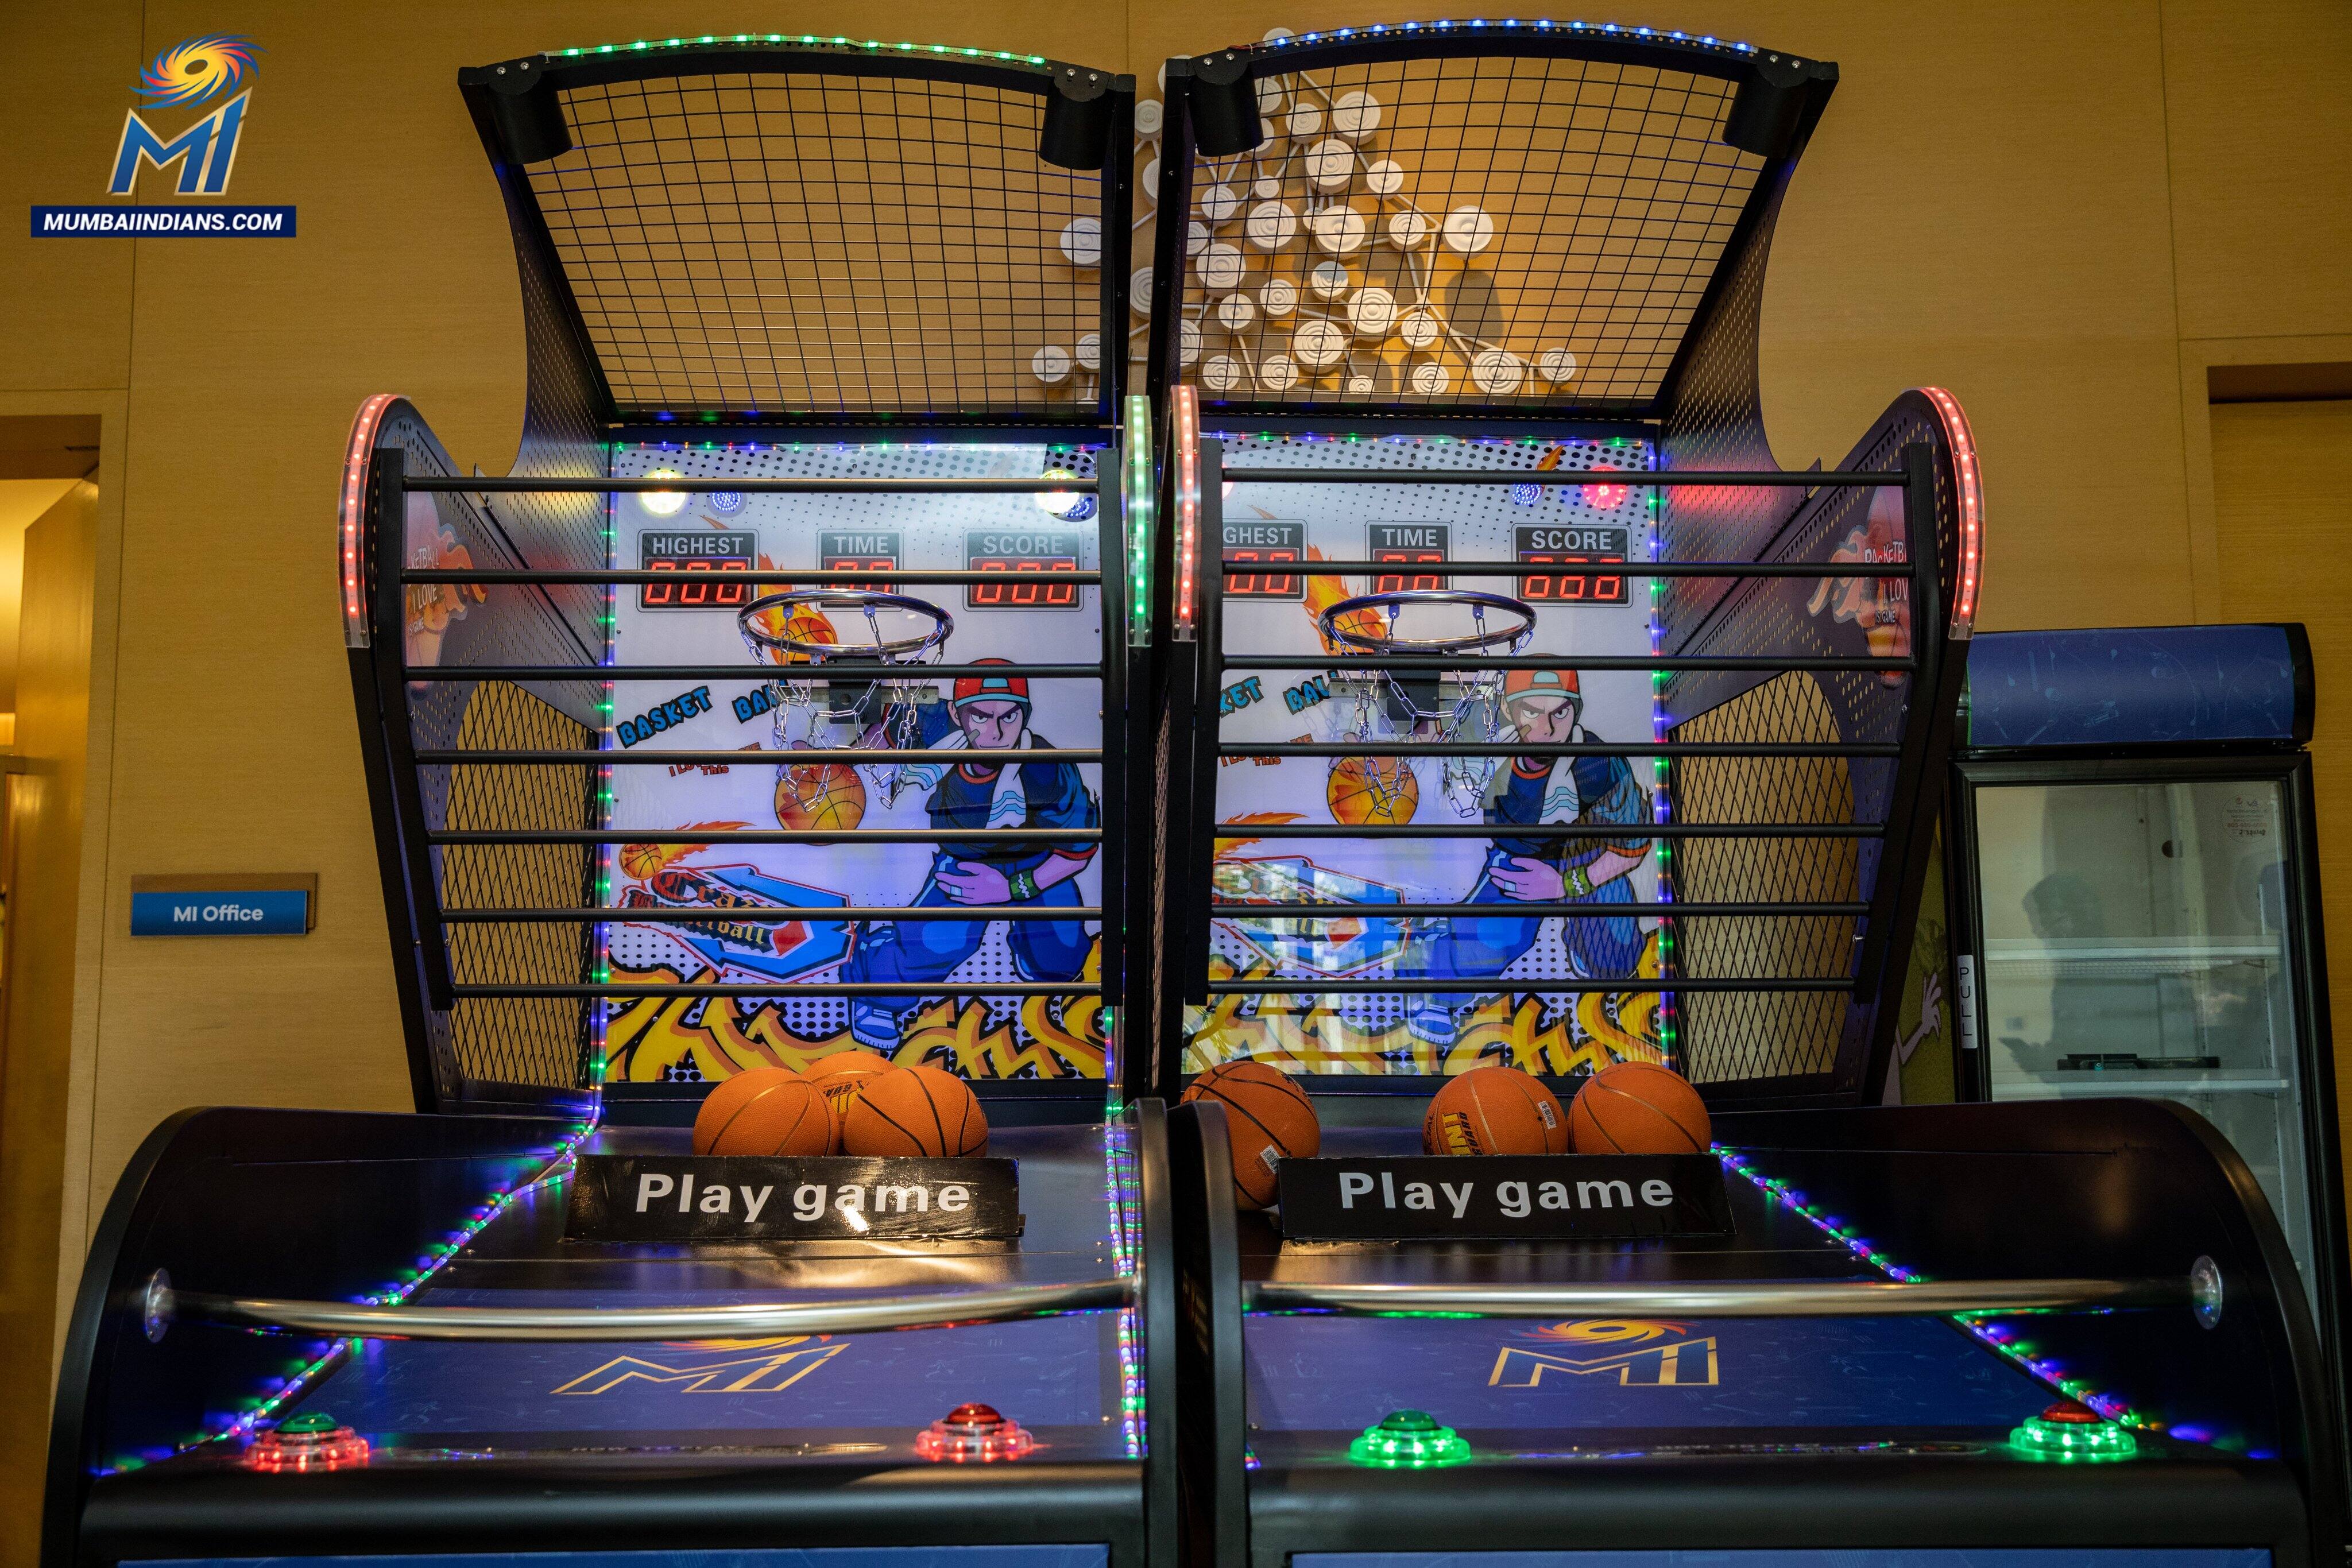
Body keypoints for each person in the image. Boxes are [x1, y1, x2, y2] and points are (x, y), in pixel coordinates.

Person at [840, 660, 1099, 1048]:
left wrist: (1011, 888)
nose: (996, 732)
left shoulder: (1049, 769)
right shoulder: (931, 722)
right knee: (936, 943)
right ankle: (872, 982)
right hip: (965, 858)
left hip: (1035, 862)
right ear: (955, 713)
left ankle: (1035, 949)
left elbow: (1077, 852)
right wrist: (829, 759)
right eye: (980, 714)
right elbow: (869, 722)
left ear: (1025, 714)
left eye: (1010, 716)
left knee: (1060, 958)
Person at [1396, 668, 1652, 1047]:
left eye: (1560, 713)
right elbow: (1424, 730)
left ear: (1576, 710)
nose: (1547, 727)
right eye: (1532, 712)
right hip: (1520, 853)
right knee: (1491, 941)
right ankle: (1435, 980)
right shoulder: (1484, 733)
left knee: (1615, 957)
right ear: (1511, 711)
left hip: (1588, 856)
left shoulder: (1600, 764)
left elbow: (1631, 849)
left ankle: (1589, 946)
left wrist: (1566, 884)